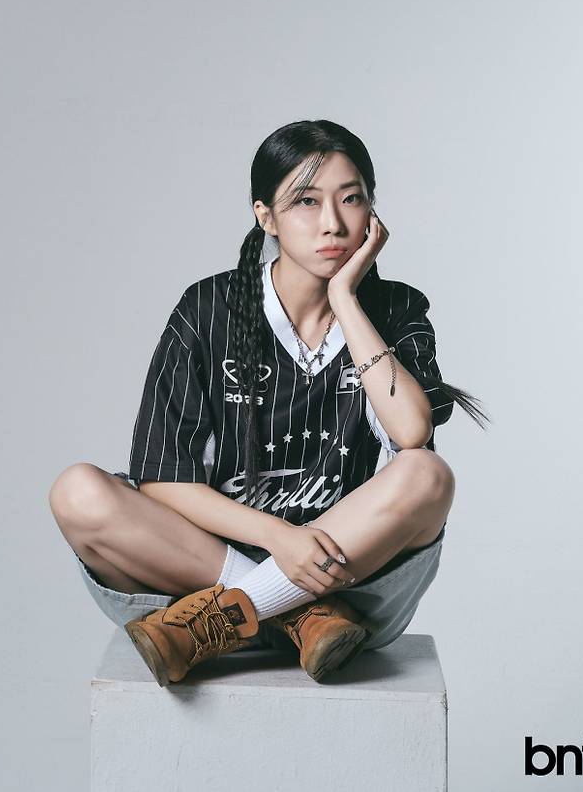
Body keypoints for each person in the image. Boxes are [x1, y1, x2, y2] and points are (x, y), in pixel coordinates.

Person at [49, 119, 488, 686]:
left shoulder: (397, 308)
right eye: (306, 201)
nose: (333, 223)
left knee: (428, 474)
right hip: (207, 569)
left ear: (372, 213)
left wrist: (345, 299)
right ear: (266, 217)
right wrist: (279, 540)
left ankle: (221, 620)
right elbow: (163, 478)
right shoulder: (208, 308)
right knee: (77, 492)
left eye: (351, 199)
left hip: (348, 577)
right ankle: (294, 614)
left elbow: (411, 433)